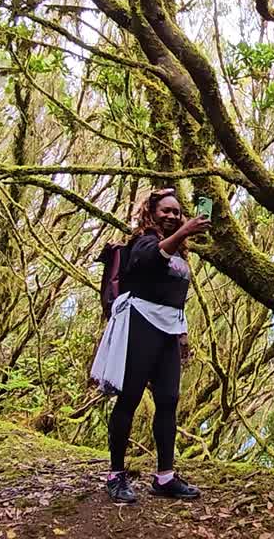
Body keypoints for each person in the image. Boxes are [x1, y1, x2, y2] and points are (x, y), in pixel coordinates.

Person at [101, 187, 209, 504]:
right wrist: (186, 230)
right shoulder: (143, 241)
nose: (172, 216)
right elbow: (149, 259)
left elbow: (177, 297)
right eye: (166, 210)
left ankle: (165, 477)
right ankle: (116, 475)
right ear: (152, 213)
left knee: (168, 400)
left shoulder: (179, 254)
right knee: (130, 397)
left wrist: (183, 333)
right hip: (140, 325)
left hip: (169, 330)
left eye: (177, 212)